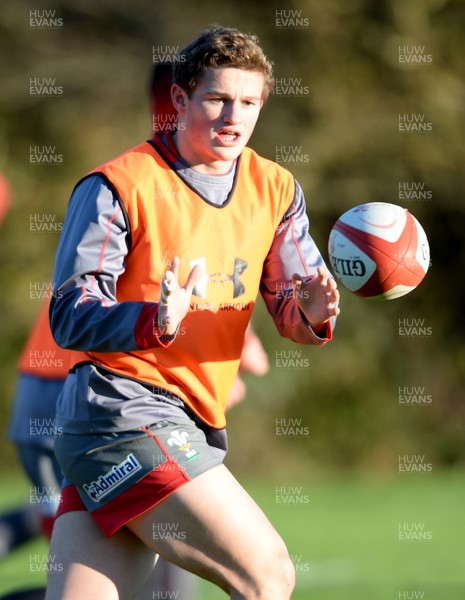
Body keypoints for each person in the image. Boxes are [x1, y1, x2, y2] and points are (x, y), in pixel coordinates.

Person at [45, 25, 340, 600]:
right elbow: (70, 314)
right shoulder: (118, 185)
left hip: (188, 421)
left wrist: (309, 311)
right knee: (266, 572)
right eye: (217, 98)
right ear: (180, 99)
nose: (235, 115)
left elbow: (293, 310)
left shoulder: (276, 189)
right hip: (119, 411)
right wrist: (153, 320)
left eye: (250, 102)